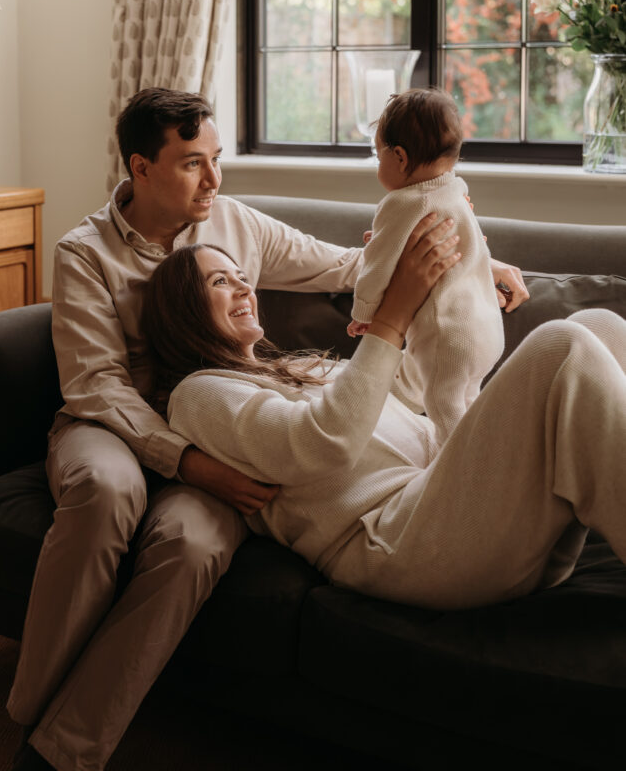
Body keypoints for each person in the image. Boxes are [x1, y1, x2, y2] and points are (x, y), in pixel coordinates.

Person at [0, 87, 527, 771]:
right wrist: (189, 460)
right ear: (141, 167)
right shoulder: (84, 252)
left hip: (220, 428)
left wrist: (477, 263)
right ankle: (35, 743)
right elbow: (94, 386)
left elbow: (350, 262)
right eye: (192, 164)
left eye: (217, 159)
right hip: (114, 425)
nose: (213, 180)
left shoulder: (233, 223)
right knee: (108, 493)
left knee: (194, 547)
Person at [143, 243, 626, 612]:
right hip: (400, 541)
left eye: (243, 277)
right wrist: (388, 322)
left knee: (599, 326)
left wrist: (446, 292)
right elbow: (319, 444)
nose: (245, 288)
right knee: (560, 343)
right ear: (184, 309)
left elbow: (414, 391)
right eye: (220, 282)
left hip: (453, 499)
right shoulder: (200, 393)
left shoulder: (298, 364)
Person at [348, 88, 504, 445]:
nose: (378, 165)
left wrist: (364, 312)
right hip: (486, 330)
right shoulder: (456, 192)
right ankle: (483, 450)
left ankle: (449, 475)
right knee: (468, 401)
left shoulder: (401, 203)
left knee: (442, 408)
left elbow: (377, 262)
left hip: (446, 336)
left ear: (399, 157)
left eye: (378, 155)